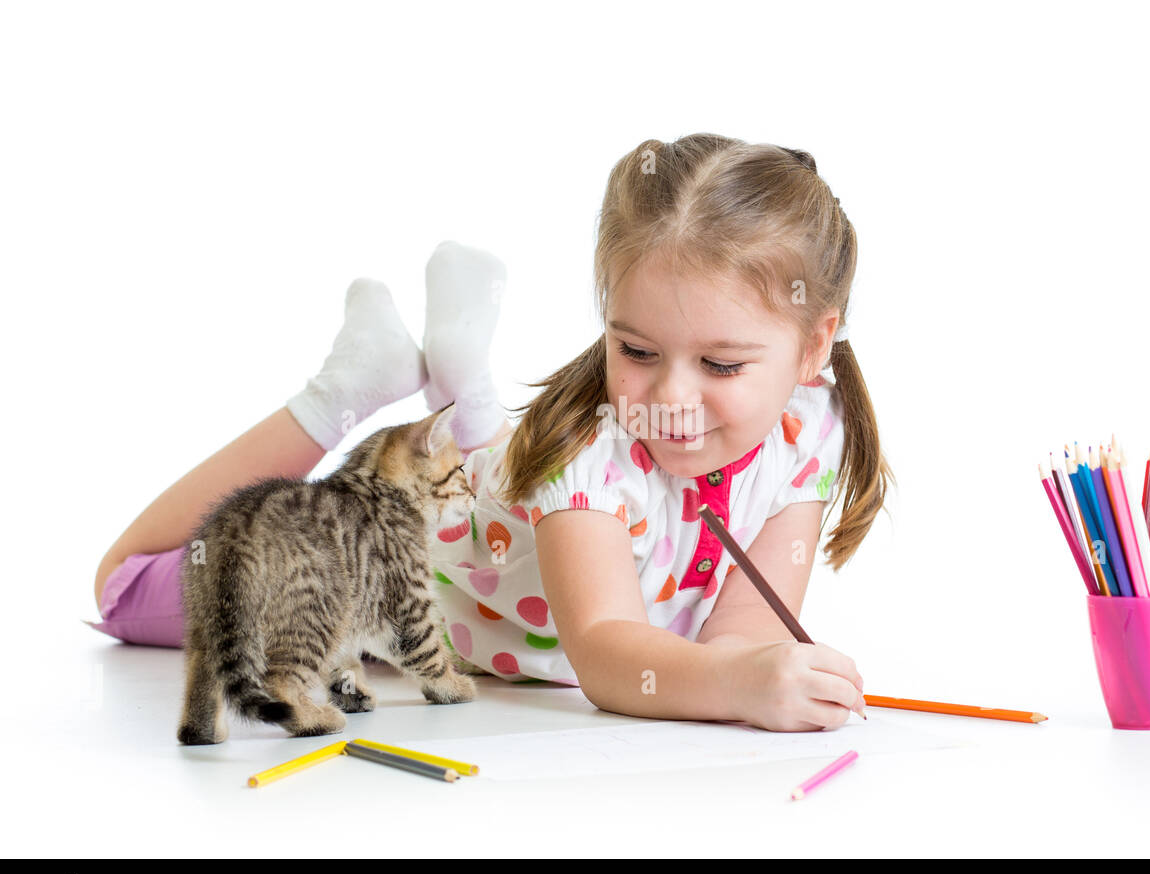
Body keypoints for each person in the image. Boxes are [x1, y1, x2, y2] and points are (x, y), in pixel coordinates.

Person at [90, 133, 893, 732]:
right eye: (636, 350)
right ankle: (344, 391)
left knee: (493, 470)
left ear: (815, 346)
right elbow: (609, 654)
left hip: (489, 511)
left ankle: (465, 406)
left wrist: (762, 674)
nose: (671, 397)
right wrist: (745, 690)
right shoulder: (589, 455)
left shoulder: (808, 430)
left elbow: (740, 635)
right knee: (123, 584)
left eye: (721, 364)